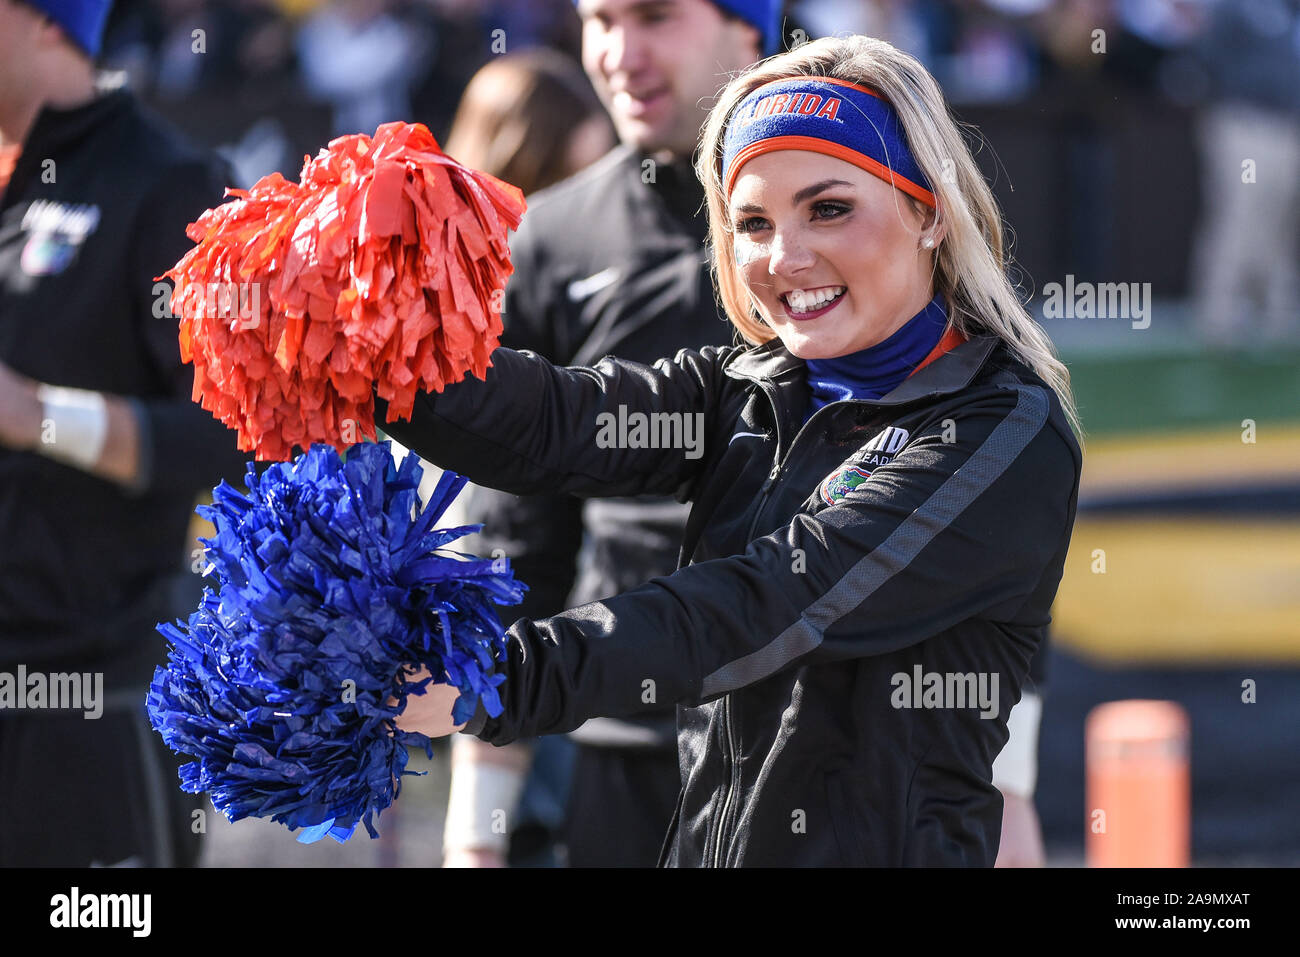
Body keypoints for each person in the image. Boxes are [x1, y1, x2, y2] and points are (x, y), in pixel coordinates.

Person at [382, 32, 1082, 866]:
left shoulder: (1001, 425)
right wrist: (373, 357)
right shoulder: (747, 388)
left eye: (829, 208)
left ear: (928, 212)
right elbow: (553, 423)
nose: (785, 258)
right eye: (752, 222)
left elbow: (774, 601)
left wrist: (494, 677)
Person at [440, 0, 780, 869]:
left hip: (830, 738)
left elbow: (981, 486)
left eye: (655, 16)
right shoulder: (553, 233)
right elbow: (518, 537)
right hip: (625, 743)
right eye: (599, 19)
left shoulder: (849, 204)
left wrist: (1002, 787)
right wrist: (477, 831)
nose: (619, 54)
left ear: (750, 25)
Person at [0, 0, 248, 866]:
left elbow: (235, 431)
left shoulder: (167, 178)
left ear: (43, 21)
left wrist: (38, 416)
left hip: (92, 701)